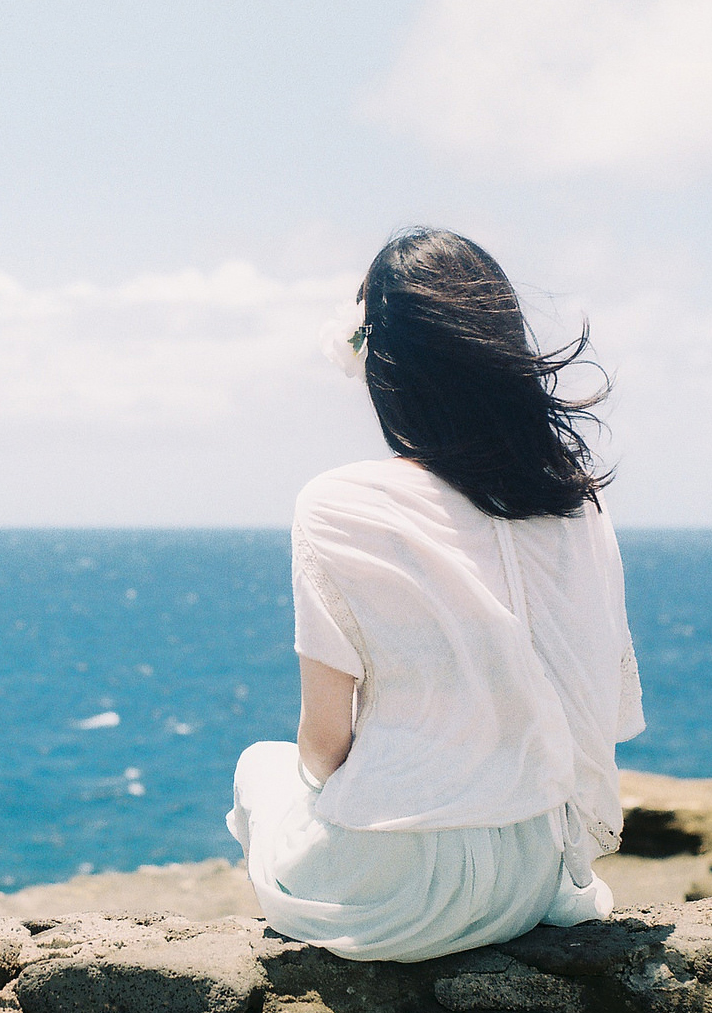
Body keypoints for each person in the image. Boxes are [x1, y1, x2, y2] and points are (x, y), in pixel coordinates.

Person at [228, 228, 645, 963]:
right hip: (531, 882)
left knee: (261, 769)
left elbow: (324, 749)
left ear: (381, 363)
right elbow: (598, 718)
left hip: (391, 899)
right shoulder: (578, 509)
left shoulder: (339, 502)